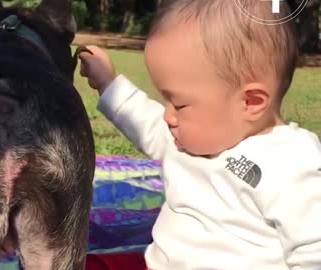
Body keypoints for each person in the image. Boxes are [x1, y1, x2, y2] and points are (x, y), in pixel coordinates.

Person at [80, 0, 321, 269]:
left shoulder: (289, 160)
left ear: (251, 102)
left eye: (179, 104)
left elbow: (313, 249)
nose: (168, 116)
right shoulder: (185, 138)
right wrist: (108, 84)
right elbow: (144, 121)